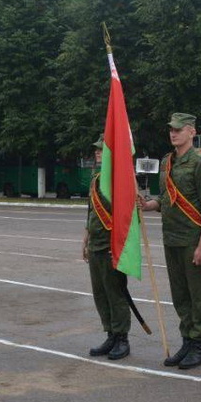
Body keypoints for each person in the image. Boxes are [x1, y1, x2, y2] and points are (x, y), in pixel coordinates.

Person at [139, 113, 201, 369]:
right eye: (171, 130)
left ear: (191, 132)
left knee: (196, 295)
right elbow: (166, 199)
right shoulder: (167, 162)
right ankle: (186, 340)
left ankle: (197, 345)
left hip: (193, 239)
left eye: (178, 130)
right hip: (171, 238)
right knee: (179, 295)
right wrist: (149, 204)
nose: (173, 134)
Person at [83, 138, 131, 361]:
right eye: (96, 150)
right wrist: (85, 239)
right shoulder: (97, 179)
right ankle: (110, 333)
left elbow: (125, 217)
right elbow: (91, 212)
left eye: (101, 150)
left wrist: (120, 247)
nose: (97, 153)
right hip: (96, 244)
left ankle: (122, 338)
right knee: (100, 293)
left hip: (111, 246)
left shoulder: (117, 180)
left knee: (116, 294)